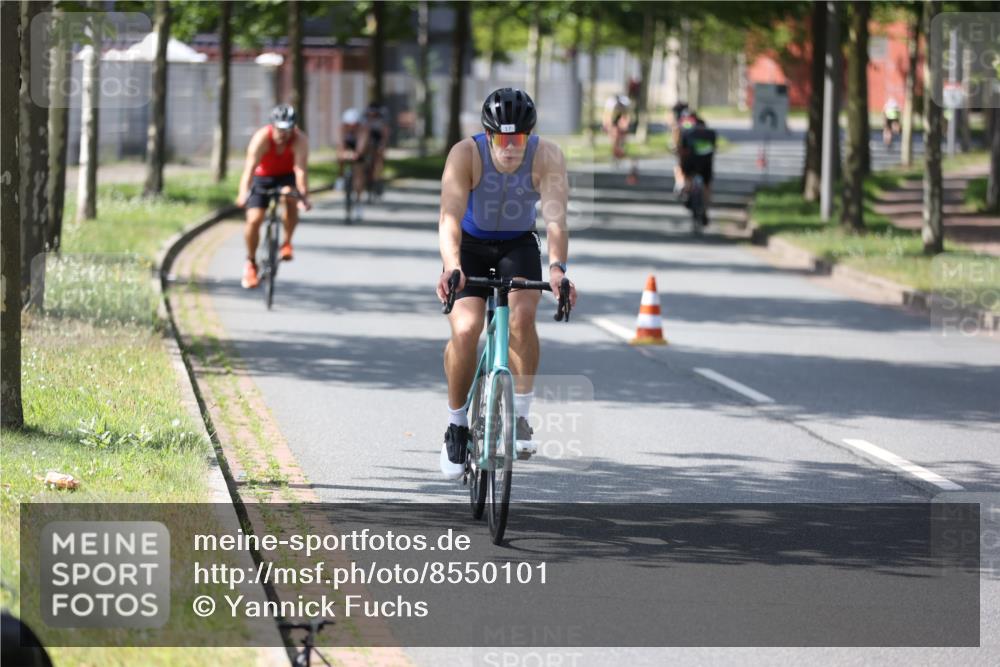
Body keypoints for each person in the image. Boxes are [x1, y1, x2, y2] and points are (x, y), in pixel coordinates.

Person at [435, 88, 578, 479]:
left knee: (522, 316)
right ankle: (457, 424)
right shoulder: (465, 155)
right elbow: (449, 218)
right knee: (465, 328)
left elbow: (555, 221)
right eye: (502, 138)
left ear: (530, 136)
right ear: (488, 134)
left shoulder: (547, 156)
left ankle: (521, 416)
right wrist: (451, 266)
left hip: (518, 245)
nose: (511, 148)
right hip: (471, 246)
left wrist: (558, 269)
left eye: (519, 139)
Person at [236, 104, 311, 289]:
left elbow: (300, 171)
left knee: (289, 197)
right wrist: (242, 194)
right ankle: (251, 262)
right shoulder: (262, 138)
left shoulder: (299, 140)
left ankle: (286, 243)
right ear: (273, 125)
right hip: (262, 177)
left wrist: (303, 196)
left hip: (286, 176)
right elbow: (249, 170)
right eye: (280, 129)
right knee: (254, 220)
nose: (283, 134)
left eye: (288, 129)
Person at [678, 113, 717, 226]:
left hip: (691, 163)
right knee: (707, 185)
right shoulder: (711, 133)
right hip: (706, 163)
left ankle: (687, 192)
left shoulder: (687, 132)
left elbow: (682, 150)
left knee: (688, 176)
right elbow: (713, 148)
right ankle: (705, 208)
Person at [358, 102, 390, 200]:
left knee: (378, 159)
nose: (371, 114)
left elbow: (385, 134)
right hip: (367, 140)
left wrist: (382, 146)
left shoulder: (382, 120)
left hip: (378, 139)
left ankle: (377, 179)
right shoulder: (364, 118)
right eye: (370, 112)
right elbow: (361, 133)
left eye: (374, 113)